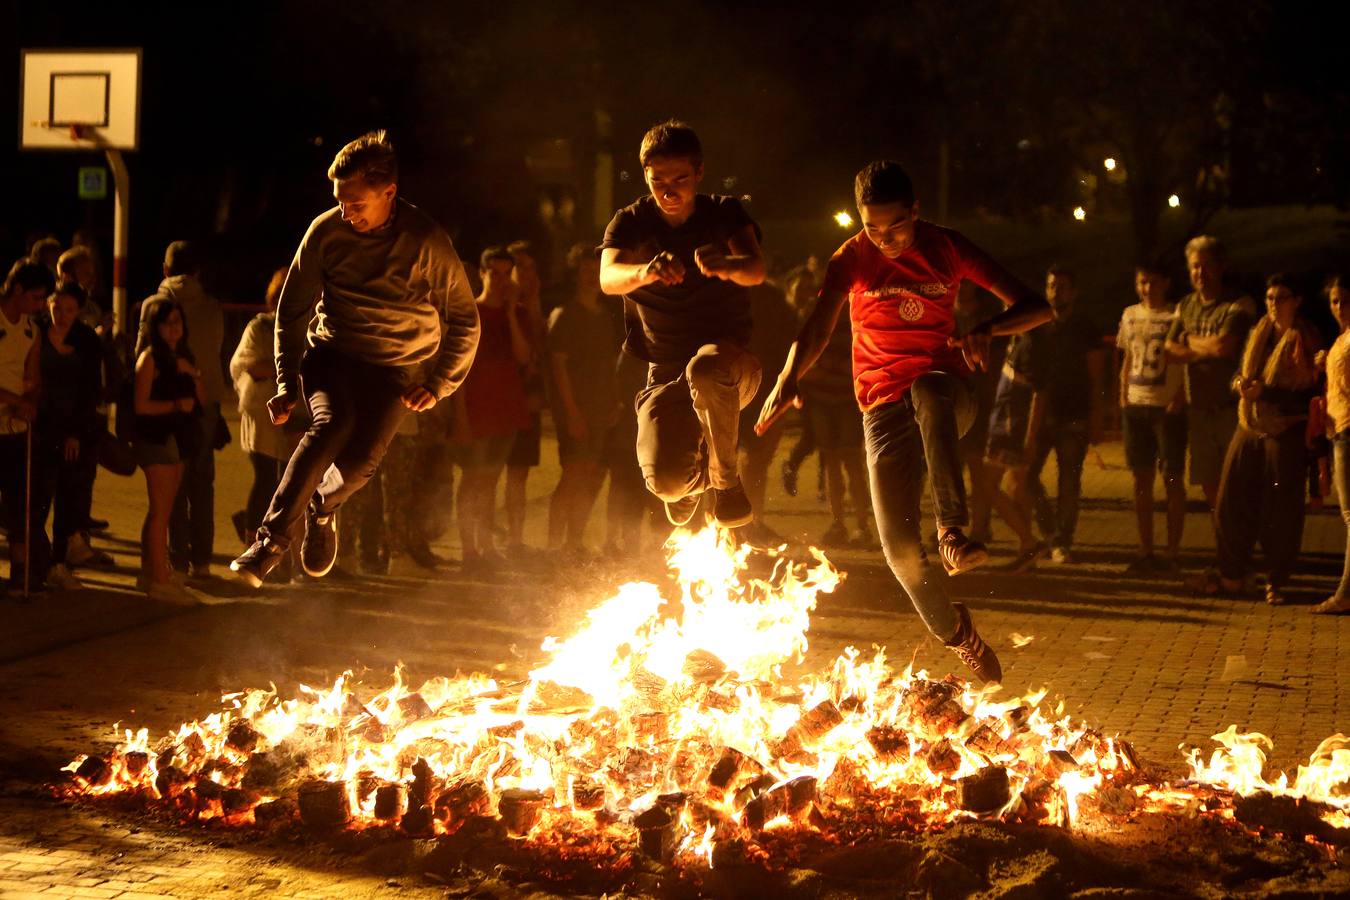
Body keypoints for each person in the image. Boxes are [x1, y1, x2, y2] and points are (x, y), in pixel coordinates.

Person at [757, 160, 1051, 683]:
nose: (886, 240)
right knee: (898, 553)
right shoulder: (852, 258)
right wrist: (787, 377)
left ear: (916, 212)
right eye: (873, 228)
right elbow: (819, 326)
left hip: (946, 394)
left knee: (928, 389)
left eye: (896, 227)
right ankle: (959, 634)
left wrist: (990, 327)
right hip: (882, 409)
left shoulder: (947, 247)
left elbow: (1037, 307)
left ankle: (953, 532)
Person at [230, 130, 480, 587]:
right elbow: (291, 310)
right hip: (334, 354)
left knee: (362, 461)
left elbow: (465, 319)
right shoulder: (327, 232)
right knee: (330, 426)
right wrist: (287, 382)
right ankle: (269, 543)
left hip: (395, 370)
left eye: (356, 204)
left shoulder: (426, 241)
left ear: (389, 193)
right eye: (341, 202)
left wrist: (441, 381)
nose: (347, 213)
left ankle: (322, 512)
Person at [598, 120, 765, 528]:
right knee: (666, 484)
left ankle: (725, 483)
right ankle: (692, 484)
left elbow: (756, 269)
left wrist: (727, 265)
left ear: (699, 173)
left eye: (680, 179)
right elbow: (608, 278)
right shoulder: (631, 222)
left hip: (728, 368)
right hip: (665, 371)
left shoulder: (723, 214)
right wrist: (646, 273)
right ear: (645, 176)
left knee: (704, 369)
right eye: (658, 181)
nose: (669, 191)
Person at [1195, 275, 1321, 605]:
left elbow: (1307, 390)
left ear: (1296, 301)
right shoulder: (1259, 333)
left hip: (1286, 427)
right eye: (1269, 298)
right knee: (1229, 498)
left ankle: (1276, 580)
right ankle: (1233, 572)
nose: (1273, 305)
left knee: (1281, 507)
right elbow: (1243, 372)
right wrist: (1241, 384)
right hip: (1249, 421)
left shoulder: (1303, 338)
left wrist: (1265, 392)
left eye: (1281, 298)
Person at [141, 241, 227, 581]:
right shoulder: (213, 307)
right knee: (202, 481)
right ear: (197, 272)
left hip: (168, 405)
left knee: (172, 482)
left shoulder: (154, 306)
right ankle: (202, 561)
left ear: (165, 270)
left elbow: (141, 351)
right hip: (205, 402)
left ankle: (177, 559)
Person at [454, 248, 531, 576]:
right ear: (483, 274)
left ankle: (485, 547)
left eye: (506, 274)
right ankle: (469, 550)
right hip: (477, 408)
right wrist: (459, 416)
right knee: (472, 480)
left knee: (490, 481)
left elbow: (524, 357)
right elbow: (457, 370)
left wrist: (512, 313)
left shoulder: (518, 313)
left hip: (506, 407)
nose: (500, 280)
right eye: (494, 273)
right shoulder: (470, 314)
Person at [1023, 265, 1107, 564]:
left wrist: (1097, 417)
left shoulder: (1086, 327)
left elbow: (1096, 376)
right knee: (1027, 475)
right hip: (1045, 414)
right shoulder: (1040, 326)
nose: (1055, 292)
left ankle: (1062, 541)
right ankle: (1051, 533)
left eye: (1061, 287)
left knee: (1069, 483)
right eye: (1051, 286)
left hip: (1075, 415)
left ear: (1073, 292)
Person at [1165, 235, 1252, 514]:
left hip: (1230, 409)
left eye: (1206, 266)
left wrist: (1188, 341)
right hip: (1198, 409)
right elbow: (1168, 348)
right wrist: (1204, 348)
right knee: (1208, 482)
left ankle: (1241, 543)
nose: (1199, 273)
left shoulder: (1236, 304)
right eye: (1194, 266)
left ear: (1221, 267)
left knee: (1237, 481)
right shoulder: (1186, 305)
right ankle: (1224, 543)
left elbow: (1223, 346)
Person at [546, 245, 621, 557]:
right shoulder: (566, 316)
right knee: (573, 473)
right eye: (586, 271)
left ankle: (573, 542)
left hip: (602, 408)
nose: (592, 277)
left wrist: (615, 402)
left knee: (591, 475)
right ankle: (553, 545)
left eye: (596, 272)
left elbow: (611, 362)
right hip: (577, 409)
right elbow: (558, 367)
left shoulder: (605, 316)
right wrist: (572, 412)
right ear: (576, 275)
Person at [1117, 260, 1187, 574]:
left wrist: (1180, 395)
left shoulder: (1177, 315)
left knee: (1172, 478)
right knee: (1141, 478)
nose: (1148, 288)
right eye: (1142, 282)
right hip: (1136, 403)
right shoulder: (1130, 314)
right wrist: (1122, 393)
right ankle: (1145, 549)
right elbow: (1128, 355)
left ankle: (1172, 552)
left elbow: (1185, 358)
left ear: (1165, 283)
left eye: (1153, 282)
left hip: (1165, 406)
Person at [132, 299, 204, 605]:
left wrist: (192, 372)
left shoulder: (181, 356)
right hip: (156, 439)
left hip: (177, 440)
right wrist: (175, 406)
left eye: (178, 321)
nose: (174, 328)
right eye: (167, 323)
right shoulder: (150, 359)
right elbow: (140, 405)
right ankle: (160, 580)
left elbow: (200, 399)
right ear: (155, 327)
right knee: (161, 511)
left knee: (162, 509)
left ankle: (151, 571)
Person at [35, 285, 106, 590]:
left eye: (69, 310)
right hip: (39, 425)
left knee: (68, 495)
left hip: (72, 428)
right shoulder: (36, 333)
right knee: (38, 498)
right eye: (57, 307)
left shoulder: (86, 340)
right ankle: (36, 563)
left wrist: (76, 432)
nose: (61, 315)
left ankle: (58, 562)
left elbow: (89, 390)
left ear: (78, 311)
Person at [229, 269, 299, 552]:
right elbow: (249, 365)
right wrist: (288, 367)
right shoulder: (261, 328)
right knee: (266, 476)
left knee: (285, 481)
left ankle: (266, 538)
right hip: (261, 412)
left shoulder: (303, 328)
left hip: (292, 414)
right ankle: (252, 542)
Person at [0, 261, 55, 596]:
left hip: (15, 429)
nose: (39, 305)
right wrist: (14, 400)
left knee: (19, 503)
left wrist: (30, 400)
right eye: (35, 298)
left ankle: (20, 572)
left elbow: (33, 375)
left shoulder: (31, 330)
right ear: (16, 290)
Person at [982, 329, 1050, 572]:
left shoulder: (1029, 344)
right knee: (1016, 486)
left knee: (988, 485)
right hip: (1006, 424)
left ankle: (1029, 542)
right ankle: (1027, 550)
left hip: (1010, 428)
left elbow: (1039, 393)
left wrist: (1030, 436)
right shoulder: (1019, 340)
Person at [738, 278, 800, 543]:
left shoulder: (771, 298)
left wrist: (788, 384)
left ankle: (752, 523)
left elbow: (791, 339)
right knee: (724, 461)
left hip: (765, 389)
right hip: (731, 386)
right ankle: (729, 525)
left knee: (756, 460)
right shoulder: (722, 292)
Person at [504, 240, 547, 556]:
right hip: (505, 399)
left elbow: (542, 351)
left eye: (531, 266)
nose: (527, 273)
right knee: (493, 472)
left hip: (528, 400)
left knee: (519, 472)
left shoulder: (532, 306)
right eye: (520, 267)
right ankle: (505, 540)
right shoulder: (504, 307)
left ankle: (515, 539)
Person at [1315, 274, 1350, 614]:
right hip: (1338, 426)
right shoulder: (1341, 339)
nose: (1340, 308)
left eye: (1345, 301)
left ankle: (1346, 590)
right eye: (1334, 301)